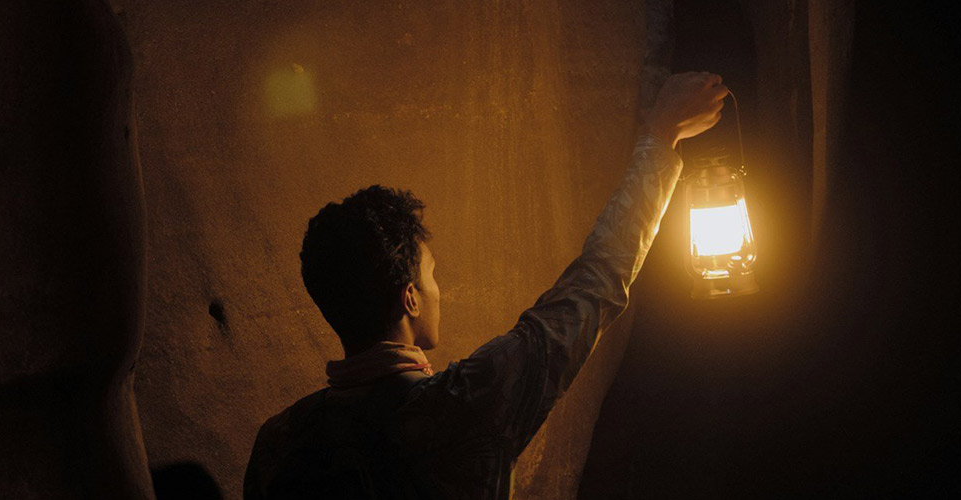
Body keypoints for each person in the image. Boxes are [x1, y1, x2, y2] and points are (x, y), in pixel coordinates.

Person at [243, 72, 729, 500]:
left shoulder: (278, 443)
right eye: (431, 276)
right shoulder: (462, 406)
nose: (438, 291)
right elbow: (594, 283)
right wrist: (660, 137)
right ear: (409, 297)